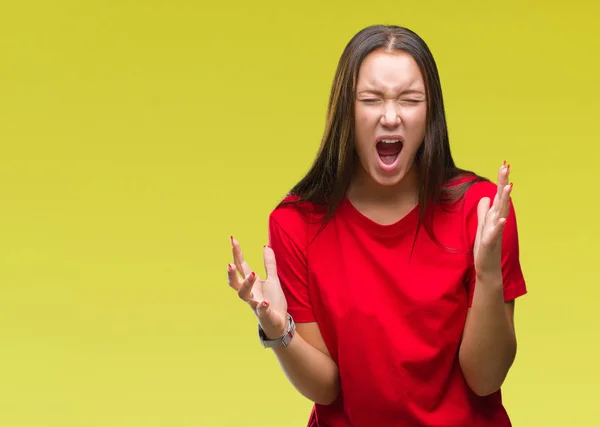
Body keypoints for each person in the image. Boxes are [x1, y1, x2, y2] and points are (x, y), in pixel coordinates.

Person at [226, 24, 527, 427]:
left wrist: (489, 274)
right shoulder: (296, 223)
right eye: (370, 99)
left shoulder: (482, 211)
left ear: (430, 111)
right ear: (345, 111)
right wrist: (279, 331)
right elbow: (327, 388)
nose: (390, 116)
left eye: (410, 100)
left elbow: (485, 378)